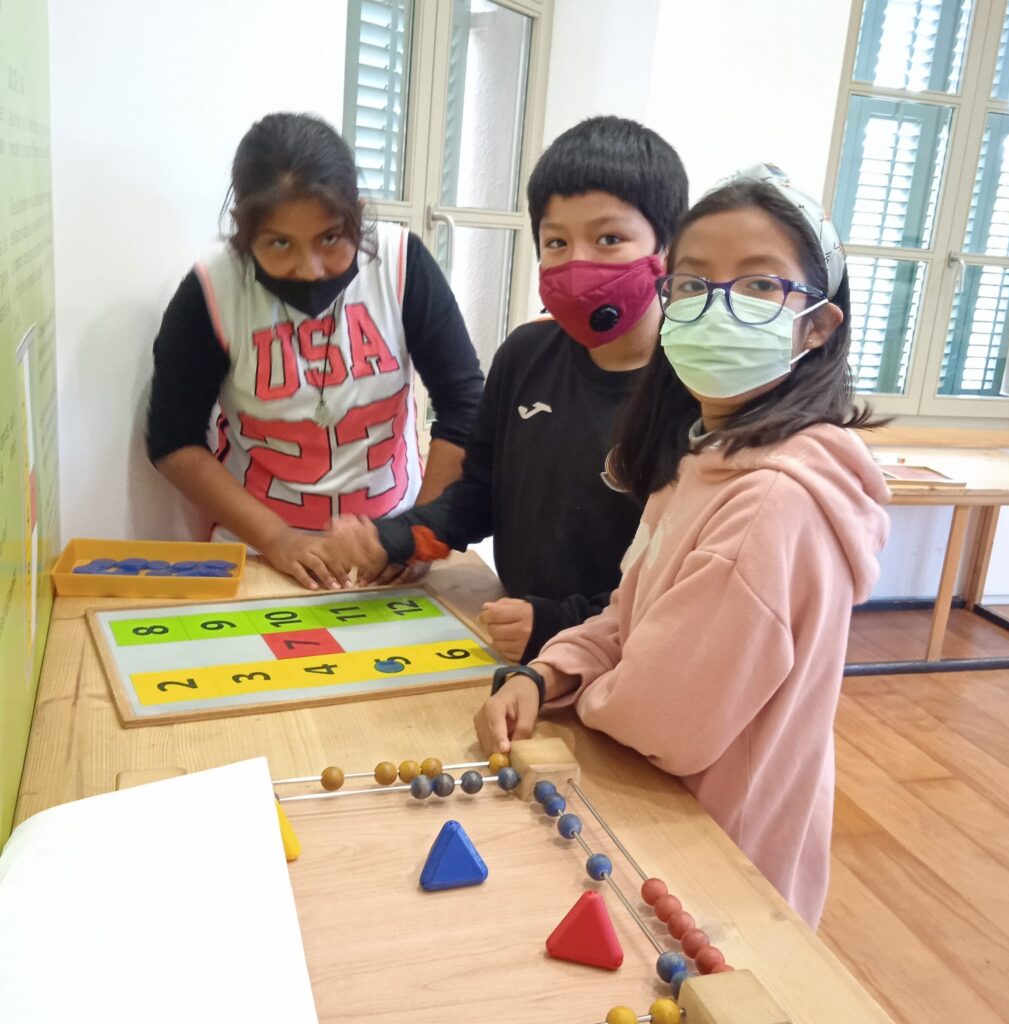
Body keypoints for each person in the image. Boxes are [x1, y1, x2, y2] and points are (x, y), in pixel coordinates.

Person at [473, 164, 891, 928]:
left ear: (818, 325)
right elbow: (628, 616)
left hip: (713, 863)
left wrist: (587, 684)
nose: (718, 307)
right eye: (694, 284)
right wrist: (549, 672)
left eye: (758, 285)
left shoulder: (769, 503)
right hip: (663, 822)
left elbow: (661, 722)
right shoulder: (706, 455)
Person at [327, 117, 689, 662]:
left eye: (609, 239)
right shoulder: (525, 355)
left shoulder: (692, 390)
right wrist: (396, 538)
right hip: (517, 638)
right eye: (556, 241)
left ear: (667, 246)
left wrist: (560, 624)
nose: (578, 262)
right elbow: (479, 495)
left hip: (622, 658)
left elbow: (678, 584)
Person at [145, 112, 483, 590]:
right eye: (279, 243)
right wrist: (277, 538)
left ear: (357, 216)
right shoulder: (212, 289)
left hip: (394, 544)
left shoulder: (404, 265)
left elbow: (464, 407)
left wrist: (416, 535)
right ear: (244, 231)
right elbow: (173, 442)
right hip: (258, 550)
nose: (310, 269)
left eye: (330, 238)